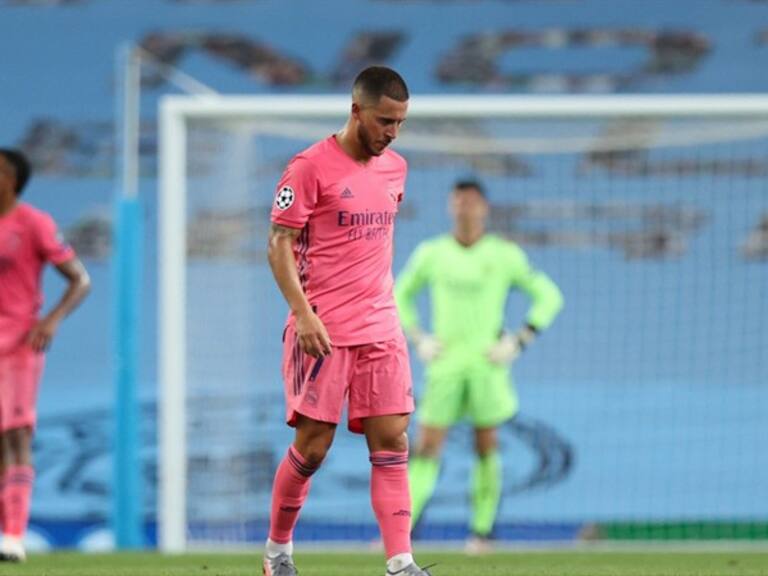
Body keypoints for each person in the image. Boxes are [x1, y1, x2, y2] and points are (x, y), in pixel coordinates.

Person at [264, 67, 432, 576]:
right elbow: (278, 245)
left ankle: (401, 563)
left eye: (400, 123)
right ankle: (277, 552)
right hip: (323, 332)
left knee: (393, 441)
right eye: (385, 120)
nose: (392, 133)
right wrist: (303, 312)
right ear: (357, 110)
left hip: (382, 328)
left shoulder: (396, 169)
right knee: (313, 449)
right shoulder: (308, 167)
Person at [394, 179, 563, 553]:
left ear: (484, 207)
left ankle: (482, 533)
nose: (463, 208)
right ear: (449, 207)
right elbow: (398, 294)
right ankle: (401, 534)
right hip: (445, 365)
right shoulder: (432, 253)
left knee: (486, 444)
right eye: (457, 202)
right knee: (427, 446)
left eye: (470, 202)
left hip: (488, 365)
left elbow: (549, 295)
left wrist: (519, 340)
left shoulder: (503, 255)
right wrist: (418, 336)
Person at [0, 148, 90, 562]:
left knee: (15, 437)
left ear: (14, 180)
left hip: (18, 345)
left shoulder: (33, 223)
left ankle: (13, 535)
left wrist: (50, 320)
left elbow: (79, 280)